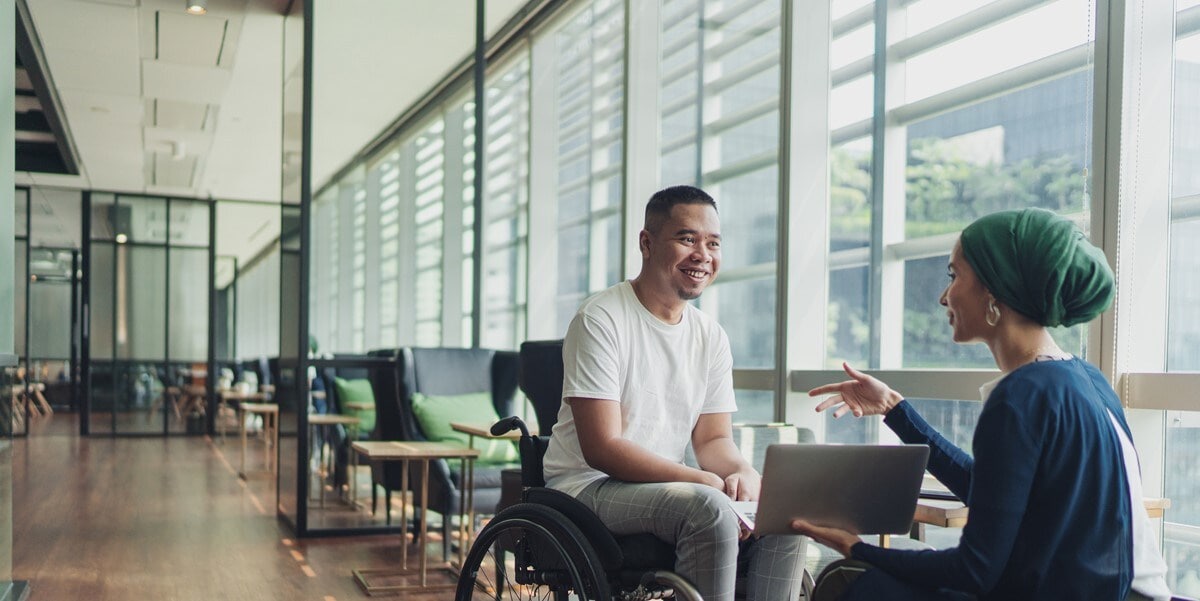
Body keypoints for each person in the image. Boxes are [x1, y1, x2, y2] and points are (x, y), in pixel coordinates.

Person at [794, 208, 1172, 601]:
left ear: (993, 291)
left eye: (953, 275)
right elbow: (994, 495)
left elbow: (974, 570)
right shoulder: (1085, 379)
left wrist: (857, 548)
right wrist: (893, 408)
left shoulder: (1022, 394)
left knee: (855, 582)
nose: (943, 297)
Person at [542, 185, 806, 601]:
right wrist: (701, 480)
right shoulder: (601, 319)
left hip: (662, 486)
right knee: (708, 508)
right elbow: (602, 447)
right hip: (587, 486)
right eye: (687, 239)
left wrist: (744, 473)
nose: (703, 254)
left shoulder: (710, 335)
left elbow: (713, 440)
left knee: (785, 512)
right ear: (647, 244)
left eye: (713, 243)